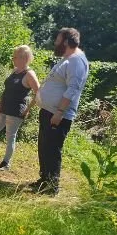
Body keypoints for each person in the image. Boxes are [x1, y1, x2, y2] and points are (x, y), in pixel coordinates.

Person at [31, 28, 89, 194]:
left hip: (58, 115)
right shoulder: (68, 58)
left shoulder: (77, 61)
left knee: (52, 150)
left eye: (57, 40)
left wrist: (59, 112)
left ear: (66, 42)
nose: (55, 43)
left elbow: (73, 89)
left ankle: (51, 187)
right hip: (48, 111)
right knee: (44, 147)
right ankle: (44, 180)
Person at [0, 45, 41, 171]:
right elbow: (7, 89)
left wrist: (27, 109)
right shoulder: (15, 71)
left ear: (24, 58)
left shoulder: (29, 74)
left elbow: (38, 93)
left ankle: (6, 163)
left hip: (16, 111)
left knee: (10, 136)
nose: (13, 59)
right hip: (4, 107)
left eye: (15, 57)